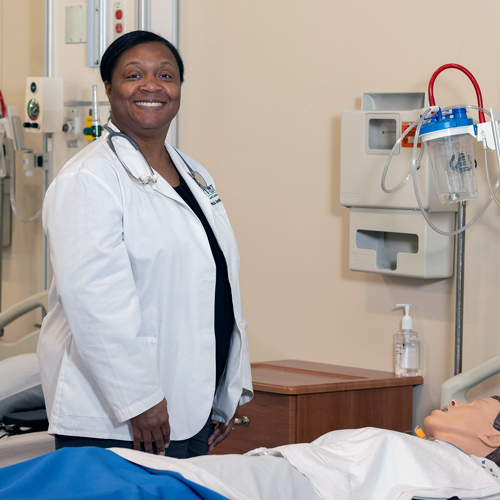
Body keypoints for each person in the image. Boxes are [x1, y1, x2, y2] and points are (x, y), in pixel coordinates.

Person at [37, 30, 253, 459]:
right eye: (134, 75)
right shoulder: (90, 179)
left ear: (178, 90)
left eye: (166, 75)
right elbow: (95, 302)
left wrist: (225, 391)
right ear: (110, 90)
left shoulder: (194, 174)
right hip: (123, 419)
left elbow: (217, 286)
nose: (152, 86)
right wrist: (138, 401)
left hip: (187, 409)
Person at [2, 396, 500, 500]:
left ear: (492, 439)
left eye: (475, 400)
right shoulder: (417, 447)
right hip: (243, 474)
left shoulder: (477, 479)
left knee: (96, 481)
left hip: (258, 491)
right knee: (83, 466)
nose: (454, 396)